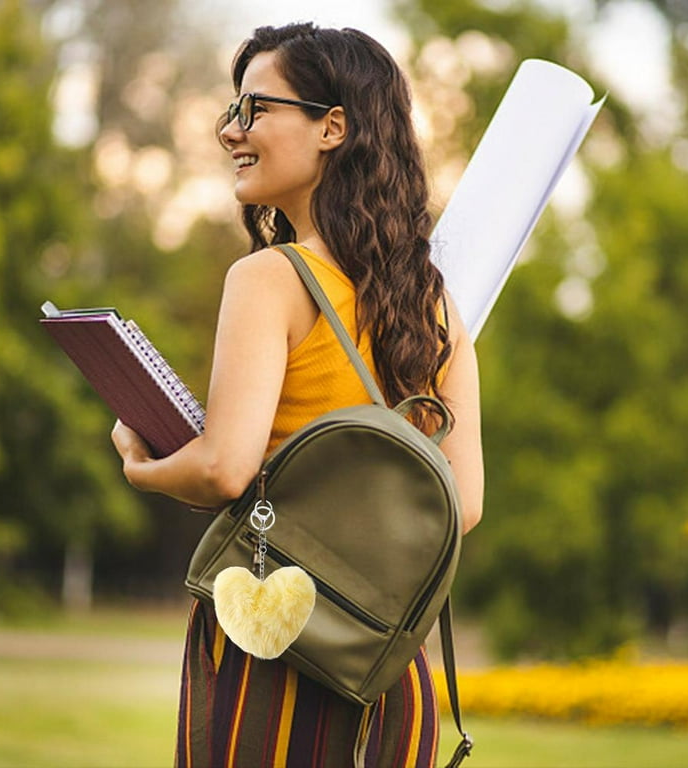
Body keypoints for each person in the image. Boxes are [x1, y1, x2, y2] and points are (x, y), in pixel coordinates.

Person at [111, 22, 484, 768]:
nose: (228, 131)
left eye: (254, 109)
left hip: (273, 653)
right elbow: (462, 505)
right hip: (388, 672)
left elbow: (222, 469)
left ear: (331, 128)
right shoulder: (436, 307)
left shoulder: (268, 279)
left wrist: (144, 465)